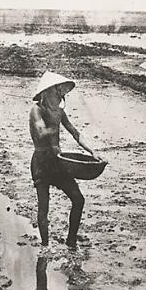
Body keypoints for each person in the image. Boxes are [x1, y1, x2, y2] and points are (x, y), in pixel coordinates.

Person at [29, 71, 97, 249]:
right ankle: (45, 245)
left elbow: (75, 132)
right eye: (56, 93)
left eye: (61, 94)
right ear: (45, 93)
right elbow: (41, 131)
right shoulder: (37, 110)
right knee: (44, 205)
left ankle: (71, 241)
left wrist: (92, 152)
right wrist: (54, 130)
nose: (59, 97)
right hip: (41, 163)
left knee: (78, 199)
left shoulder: (59, 112)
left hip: (57, 162)